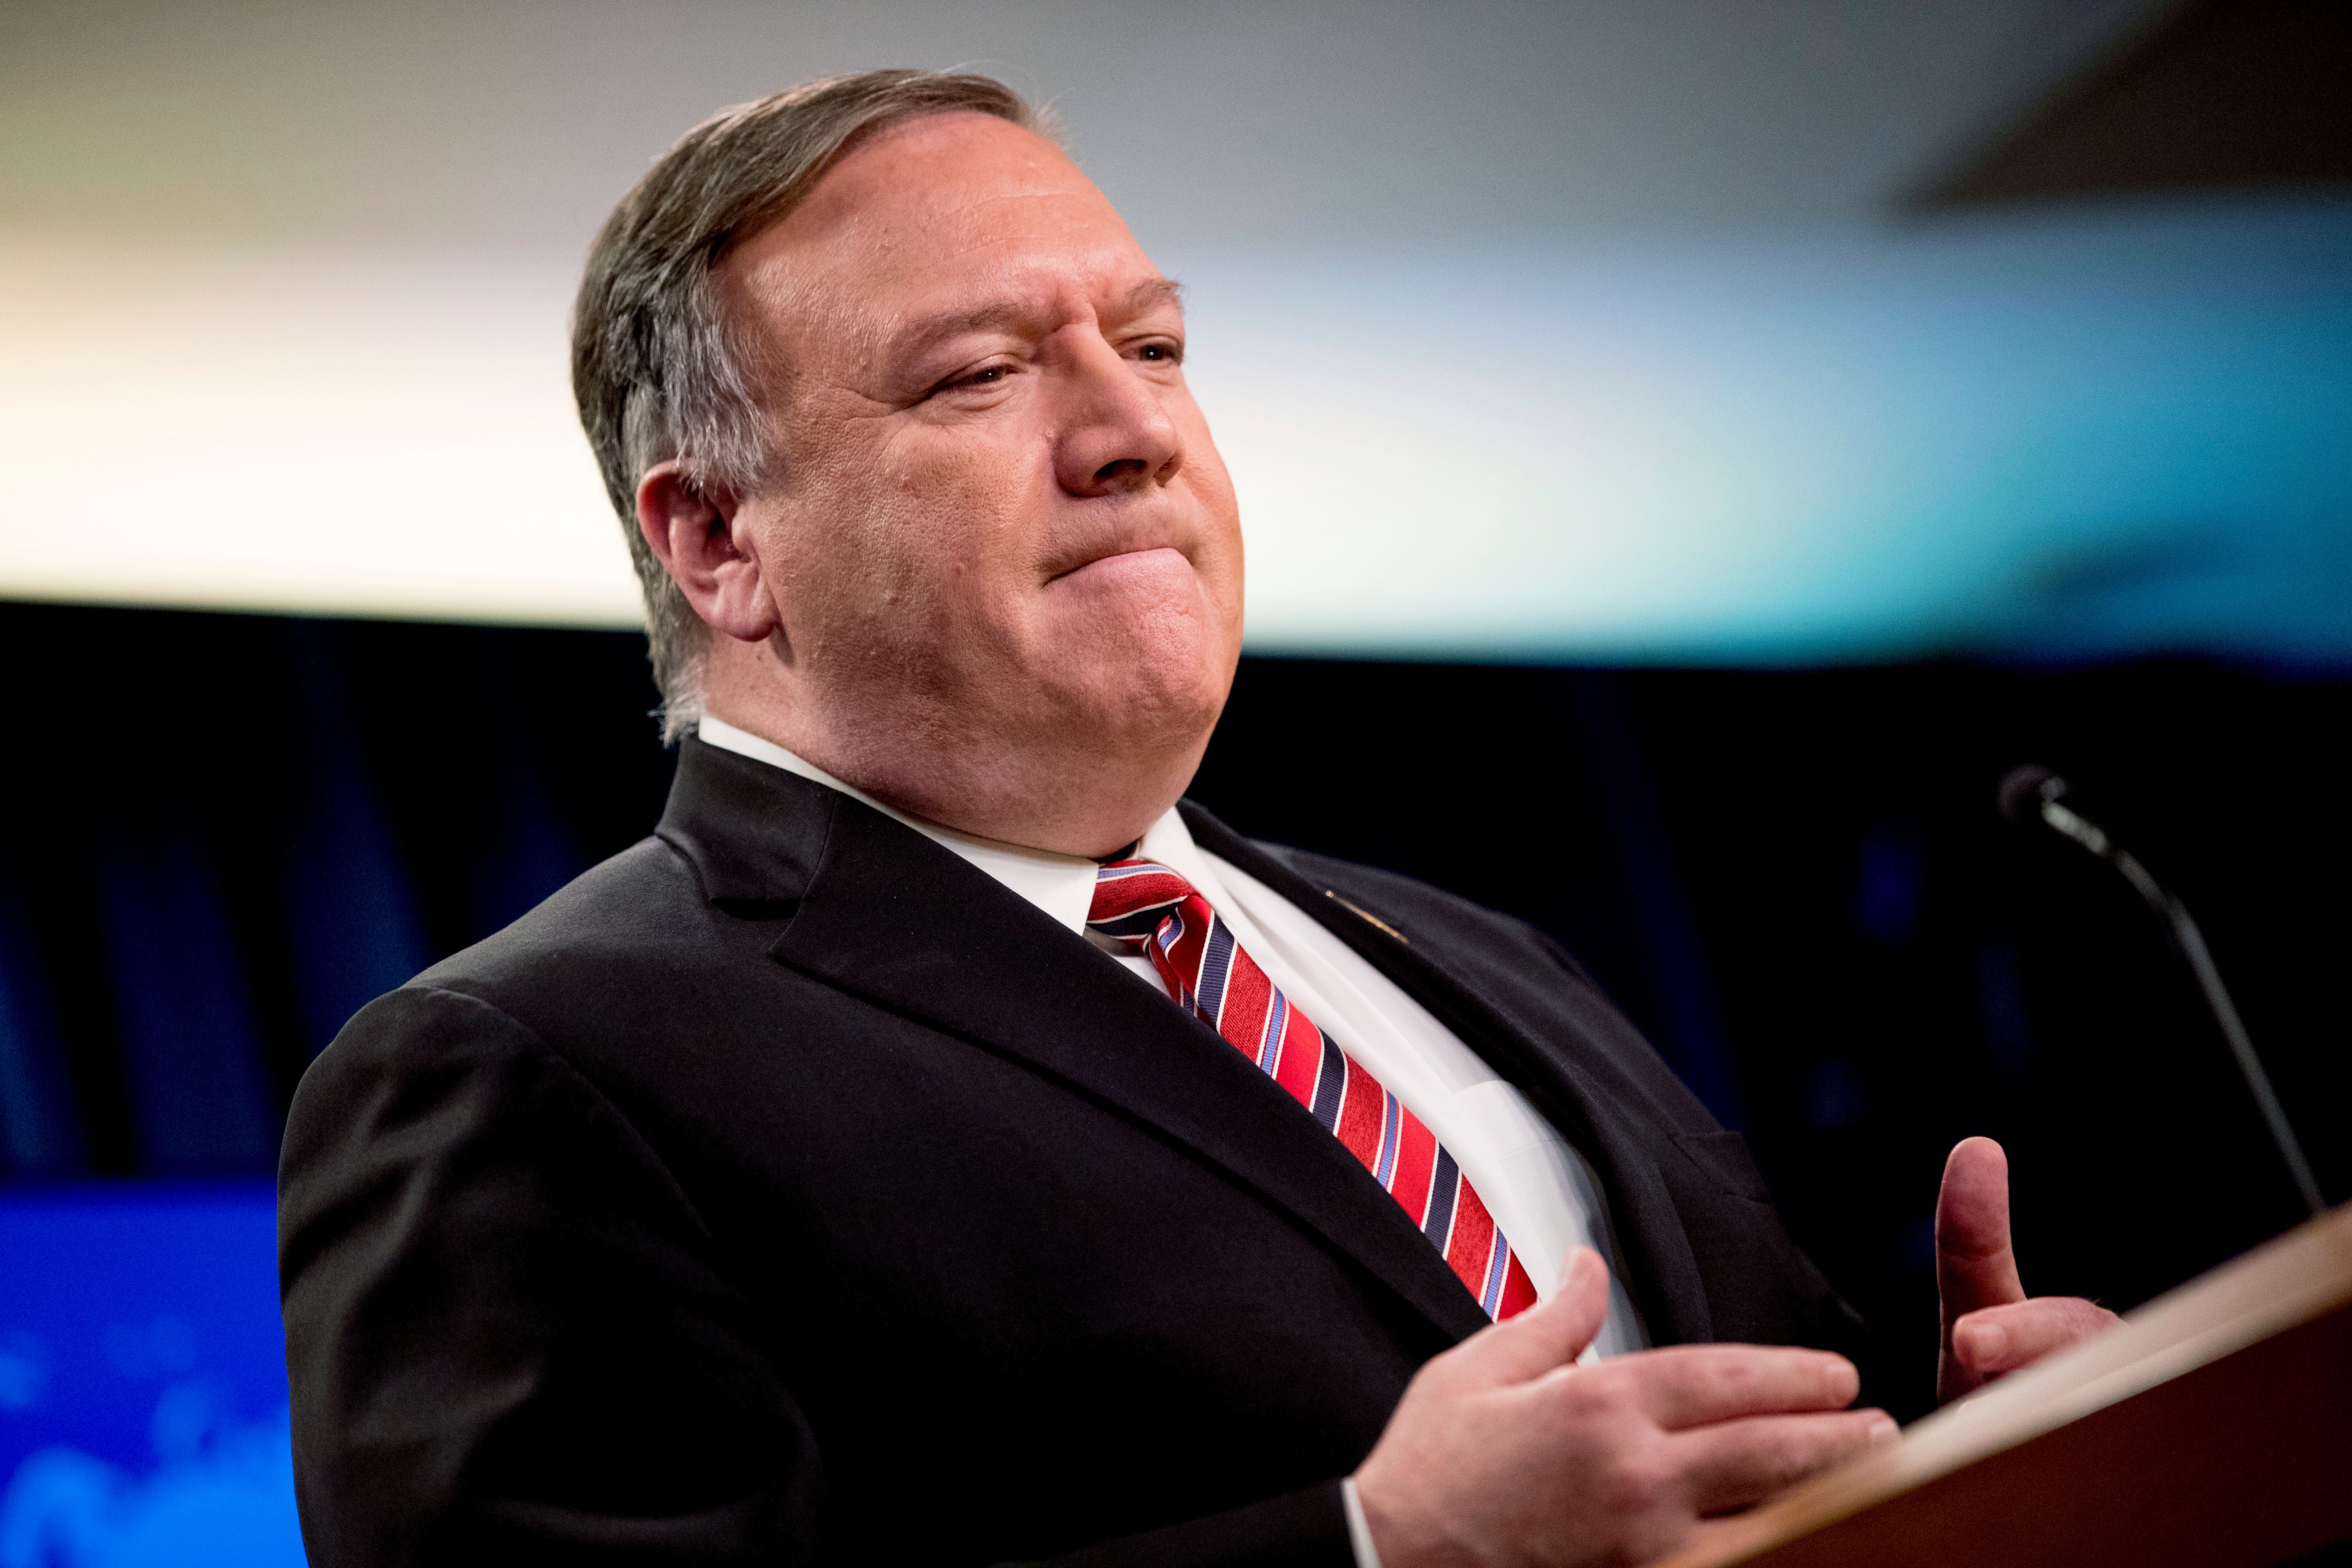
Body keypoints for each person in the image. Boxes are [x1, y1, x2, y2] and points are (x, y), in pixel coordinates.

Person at [277, 69, 2117, 1568]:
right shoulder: (527, 1072)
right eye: (982, 372)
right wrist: (1375, 1552)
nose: (1130, 430)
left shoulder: (1466, 952)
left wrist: (1962, 1465)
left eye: (1151, 347)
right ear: (718, 540)